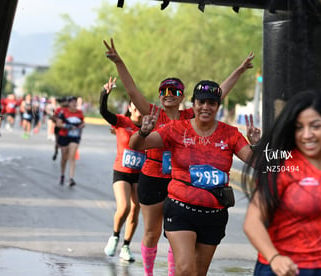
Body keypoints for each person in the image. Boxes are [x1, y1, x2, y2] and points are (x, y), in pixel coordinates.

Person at [104, 37, 255, 276]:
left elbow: (218, 93)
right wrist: (119, 62)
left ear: (184, 97)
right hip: (153, 178)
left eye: (174, 90)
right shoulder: (153, 114)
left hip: (183, 182)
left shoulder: (190, 117)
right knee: (152, 232)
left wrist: (239, 70)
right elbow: (132, 91)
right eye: (163, 90)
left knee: (183, 251)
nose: (168, 94)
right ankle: (149, 273)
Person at [129, 80, 261, 276]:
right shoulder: (175, 129)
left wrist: (257, 145)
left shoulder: (230, 134)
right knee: (184, 269)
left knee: (199, 272)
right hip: (180, 208)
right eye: (201, 102)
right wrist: (143, 132)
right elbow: (136, 145)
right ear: (193, 104)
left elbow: (257, 163)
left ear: (217, 106)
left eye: (211, 103)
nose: (206, 107)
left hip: (214, 214)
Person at [242, 90, 321, 276]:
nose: (306, 135)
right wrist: (274, 258)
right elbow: (252, 223)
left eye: (315, 126)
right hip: (285, 269)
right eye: (299, 127)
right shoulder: (282, 167)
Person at [100, 77, 143, 262]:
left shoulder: (150, 126)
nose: (139, 108)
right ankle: (115, 236)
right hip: (122, 172)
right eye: (136, 105)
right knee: (124, 206)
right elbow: (103, 111)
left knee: (135, 209)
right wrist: (105, 94)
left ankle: (126, 246)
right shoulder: (121, 121)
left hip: (140, 174)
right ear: (131, 107)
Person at [55, 96, 85, 187]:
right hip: (64, 136)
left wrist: (81, 126)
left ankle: (71, 178)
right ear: (69, 104)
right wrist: (67, 126)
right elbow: (58, 123)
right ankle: (62, 174)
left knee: (72, 156)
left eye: (75, 102)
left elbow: (83, 123)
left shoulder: (80, 113)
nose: (74, 104)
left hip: (75, 137)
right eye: (72, 102)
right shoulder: (63, 112)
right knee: (64, 157)